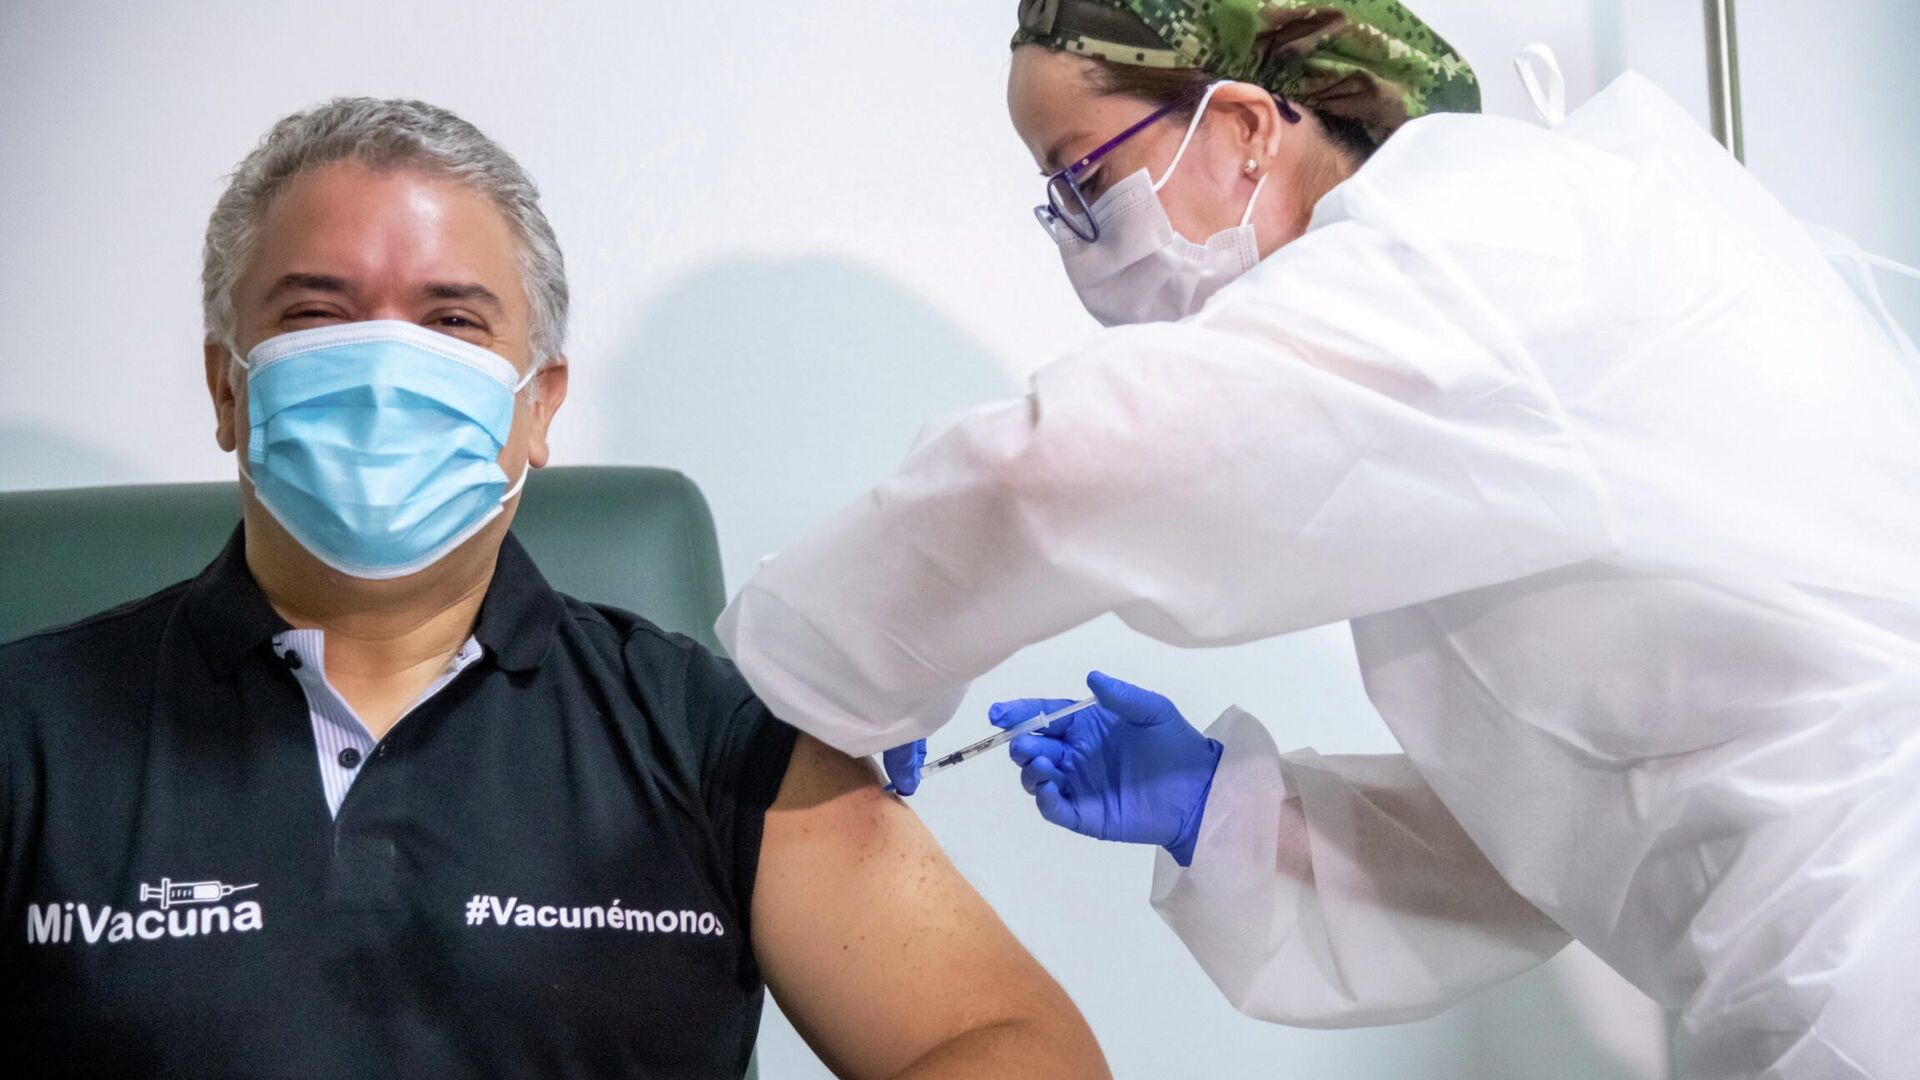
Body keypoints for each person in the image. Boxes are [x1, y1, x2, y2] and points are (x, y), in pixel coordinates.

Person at [716, 1, 1920, 1076]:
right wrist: (1222, 810)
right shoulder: (1478, 331)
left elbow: (1058, 471)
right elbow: (1569, 825)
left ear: (1244, 125)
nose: (1073, 233)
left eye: (1083, 176)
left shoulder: (1478, 245)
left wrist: (814, 679)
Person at [0, 97, 1110, 1080]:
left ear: (538, 405)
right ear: (225, 386)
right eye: (317, 315)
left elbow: (1016, 1045)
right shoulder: (28, 733)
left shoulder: (710, 737)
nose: (385, 374)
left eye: (451, 321)